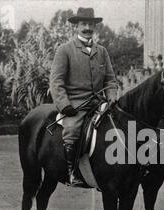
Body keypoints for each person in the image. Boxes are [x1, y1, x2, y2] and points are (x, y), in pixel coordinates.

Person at [50, 7, 118, 187]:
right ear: (77, 26)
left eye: (90, 24)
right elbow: (56, 81)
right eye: (83, 24)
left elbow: (111, 80)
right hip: (76, 104)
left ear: (95, 26)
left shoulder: (102, 51)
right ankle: (72, 172)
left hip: (99, 103)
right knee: (72, 130)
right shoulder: (65, 50)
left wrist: (111, 96)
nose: (87, 27)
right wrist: (64, 105)